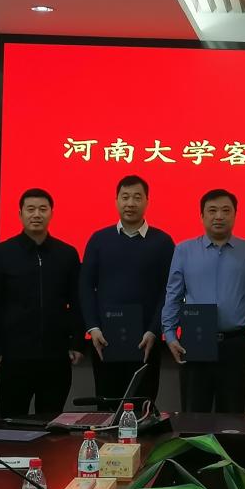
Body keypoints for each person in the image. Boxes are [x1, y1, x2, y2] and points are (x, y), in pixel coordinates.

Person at [0, 188, 83, 418]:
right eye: (30, 209)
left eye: (42, 209)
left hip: (55, 356)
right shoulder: (1, 253)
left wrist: (77, 342)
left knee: (52, 420)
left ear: (51, 213)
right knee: (12, 418)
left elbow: (78, 302)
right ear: (20, 214)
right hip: (13, 357)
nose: (36, 214)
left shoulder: (66, 254)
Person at [162, 189, 245, 413]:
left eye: (226, 211)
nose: (219, 216)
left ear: (235, 215)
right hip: (195, 341)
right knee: (194, 413)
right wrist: (169, 335)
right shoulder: (184, 250)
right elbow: (173, 296)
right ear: (202, 216)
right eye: (212, 210)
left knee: (232, 415)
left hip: (235, 344)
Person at [80, 175, 174, 410]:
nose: (130, 203)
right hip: (105, 341)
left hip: (146, 343)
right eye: (125, 197)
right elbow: (85, 286)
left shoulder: (163, 242)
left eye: (137, 197)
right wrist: (93, 328)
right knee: (107, 410)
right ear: (116, 201)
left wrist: (154, 330)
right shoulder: (99, 240)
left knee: (142, 409)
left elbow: (170, 291)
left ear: (147, 201)